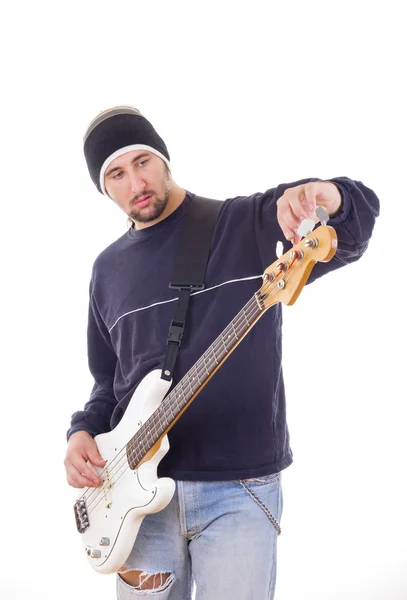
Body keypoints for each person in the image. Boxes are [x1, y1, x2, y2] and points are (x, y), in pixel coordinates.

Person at [64, 105, 380, 599]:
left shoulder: (244, 223)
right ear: (104, 188)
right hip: (135, 500)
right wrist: (82, 431)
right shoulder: (106, 271)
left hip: (240, 487)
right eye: (116, 174)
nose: (135, 182)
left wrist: (330, 197)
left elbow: (356, 223)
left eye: (142, 161)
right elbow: (108, 382)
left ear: (164, 159)